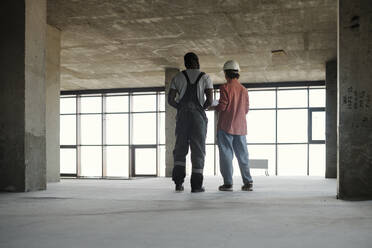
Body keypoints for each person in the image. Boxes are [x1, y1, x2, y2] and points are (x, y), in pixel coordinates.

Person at [168, 52, 213, 193]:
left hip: (182, 116)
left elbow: (170, 100)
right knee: (198, 150)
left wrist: (181, 107)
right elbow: (210, 100)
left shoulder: (178, 77)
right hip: (198, 117)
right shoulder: (205, 77)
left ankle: (178, 183)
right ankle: (196, 185)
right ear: (197, 61)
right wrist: (201, 108)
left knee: (180, 148)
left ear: (185, 63)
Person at [211, 60, 253, 191]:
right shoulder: (244, 90)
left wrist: (213, 106)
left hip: (225, 127)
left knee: (226, 155)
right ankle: (248, 182)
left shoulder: (225, 87)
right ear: (238, 73)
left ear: (226, 74)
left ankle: (228, 183)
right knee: (243, 155)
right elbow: (246, 110)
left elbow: (222, 106)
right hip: (240, 128)